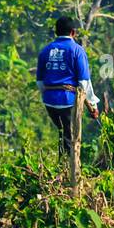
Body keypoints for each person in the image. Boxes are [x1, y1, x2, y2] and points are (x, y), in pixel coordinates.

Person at [36, 17, 100, 154]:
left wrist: (49, 95)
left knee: (64, 133)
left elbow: (40, 82)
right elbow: (84, 83)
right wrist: (93, 106)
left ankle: (64, 167)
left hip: (50, 102)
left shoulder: (45, 51)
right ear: (73, 32)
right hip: (68, 101)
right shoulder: (77, 50)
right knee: (71, 138)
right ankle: (69, 170)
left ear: (56, 32)